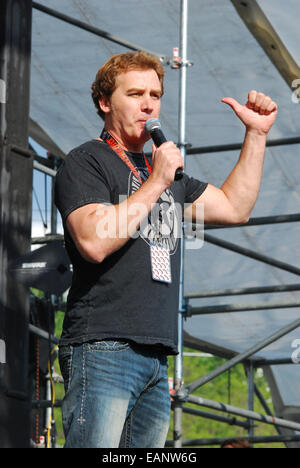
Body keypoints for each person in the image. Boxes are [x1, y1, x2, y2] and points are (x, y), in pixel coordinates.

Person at [54, 51, 277, 448]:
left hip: (156, 354)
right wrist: (156, 182)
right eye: (135, 93)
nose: (148, 104)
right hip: (104, 346)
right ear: (106, 102)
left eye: (155, 95)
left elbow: (235, 207)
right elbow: (93, 242)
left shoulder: (166, 177)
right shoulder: (87, 161)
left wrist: (257, 135)